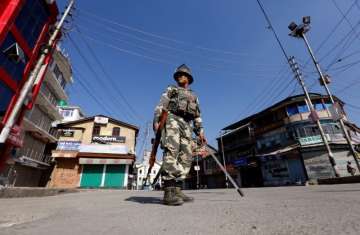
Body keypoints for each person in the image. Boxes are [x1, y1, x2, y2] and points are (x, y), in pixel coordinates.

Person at [153, 64, 206, 206]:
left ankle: (177, 188)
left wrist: (200, 131)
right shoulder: (171, 89)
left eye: (183, 74)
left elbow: (197, 115)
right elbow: (161, 105)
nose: (180, 76)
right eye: (178, 75)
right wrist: (157, 121)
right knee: (172, 150)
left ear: (189, 78)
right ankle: (168, 190)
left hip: (187, 125)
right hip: (171, 119)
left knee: (187, 155)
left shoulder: (194, 95)